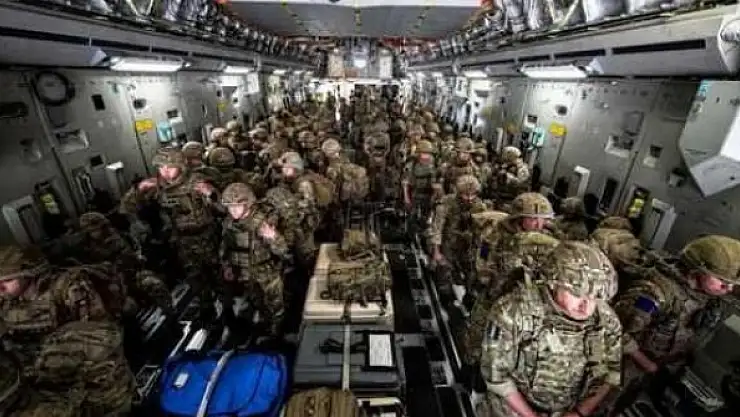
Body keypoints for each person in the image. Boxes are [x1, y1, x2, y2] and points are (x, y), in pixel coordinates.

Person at [480, 241, 622, 417]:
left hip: (570, 409)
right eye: (576, 294)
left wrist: (580, 412)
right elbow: (496, 377)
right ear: (554, 283)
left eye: (594, 297)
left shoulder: (606, 321)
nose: (586, 306)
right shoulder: (514, 312)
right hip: (514, 409)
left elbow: (612, 374)